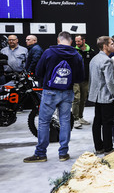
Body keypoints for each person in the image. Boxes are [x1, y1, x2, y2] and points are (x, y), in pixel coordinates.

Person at [23, 32, 84, 163]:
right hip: (67, 92)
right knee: (65, 122)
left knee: (44, 122)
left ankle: (40, 154)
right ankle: (63, 153)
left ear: (58, 40)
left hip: (50, 91)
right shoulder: (77, 55)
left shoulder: (49, 53)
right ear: (71, 42)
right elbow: (80, 78)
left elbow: (38, 72)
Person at [88, 36, 114, 155]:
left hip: (96, 96)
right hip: (106, 96)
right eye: (112, 43)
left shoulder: (94, 59)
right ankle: (108, 148)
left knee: (97, 122)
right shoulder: (107, 60)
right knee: (107, 123)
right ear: (105, 46)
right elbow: (110, 81)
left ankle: (99, 147)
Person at [73, 35, 96, 128]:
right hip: (75, 79)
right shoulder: (73, 51)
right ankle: (75, 119)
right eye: (76, 41)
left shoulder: (91, 52)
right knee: (76, 98)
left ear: (83, 41)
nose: (77, 43)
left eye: (79, 41)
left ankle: (80, 117)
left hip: (85, 79)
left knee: (83, 99)